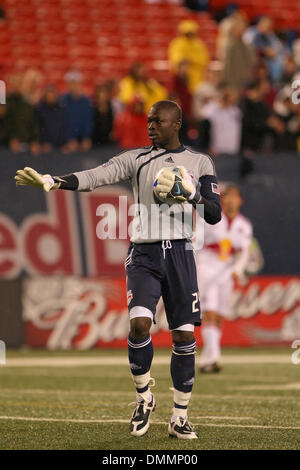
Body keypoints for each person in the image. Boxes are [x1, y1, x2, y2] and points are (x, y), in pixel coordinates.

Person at [15, 100, 221, 440]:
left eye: (158, 121)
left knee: (184, 335)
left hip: (182, 254)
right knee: (140, 325)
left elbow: (214, 213)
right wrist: (55, 180)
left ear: (177, 123)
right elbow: (98, 175)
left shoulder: (199, 162)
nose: (151, 126)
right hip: (144, 254)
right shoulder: (136, 159)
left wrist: (193, 193)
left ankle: (180, 416)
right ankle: (144, 398)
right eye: (149, 120)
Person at [194, 183, 253, 372]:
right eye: (227, 196)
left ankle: (207, 360)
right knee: (209, 311)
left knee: (219, 315)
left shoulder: (244, 225)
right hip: (208, 265)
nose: (230, 200)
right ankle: (216, 356)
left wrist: (238, 268)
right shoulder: (210, 217)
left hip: (226, 268)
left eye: (234, 196)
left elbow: (244, 252)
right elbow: (196, 241)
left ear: (240, 200)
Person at [168, 19, 210, 92]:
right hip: (183, 79)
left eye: (191, 32)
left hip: (198, 78)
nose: (190, 34)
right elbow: (177, 60)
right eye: (188, 32)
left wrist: (190, 59)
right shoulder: (177, 43)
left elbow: (204, 60)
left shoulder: (199, 44)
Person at [61, 70, 93, 153]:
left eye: (76, 83)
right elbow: (61, 123)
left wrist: (86, 138)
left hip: (83, 143)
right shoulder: (62, 101)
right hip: (66, 143)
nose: (74, 86)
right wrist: (68, 139)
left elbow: (88, 121)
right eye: (72, 83)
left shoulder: (86, 102)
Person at [37, 84, 68, 153]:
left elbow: (64, 126)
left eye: (52, 95)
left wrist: (64, 143)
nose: (50, 97)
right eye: (48, 95)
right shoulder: (40, 109)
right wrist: (43, 142)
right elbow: (39, 127)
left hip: (60, 147)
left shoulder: (62, 109)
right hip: (44, 147)